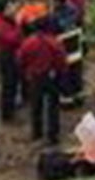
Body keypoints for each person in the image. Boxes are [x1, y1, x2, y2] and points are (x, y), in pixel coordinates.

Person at [17, 16, 67, 145]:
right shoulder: (55, 43)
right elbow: (62, 61)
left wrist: (26, 71)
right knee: (53, 106)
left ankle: (36, 133)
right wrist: (61, 73)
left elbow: (21, 59)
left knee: (36, 105)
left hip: (35, 77)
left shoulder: (28, 43)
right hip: (51, 76)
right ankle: (53, 135)